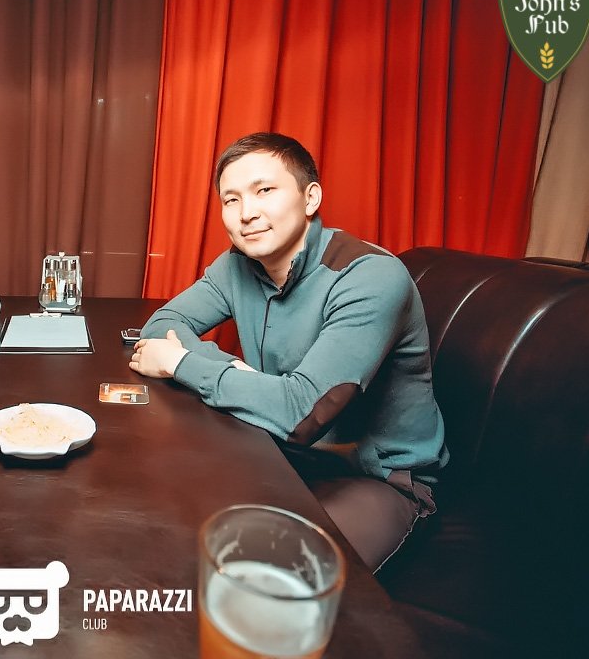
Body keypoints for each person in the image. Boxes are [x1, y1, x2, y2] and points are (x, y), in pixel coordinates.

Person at [129, 132, 448, 571]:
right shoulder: (236, 266)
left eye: (264, 190)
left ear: (310, 197)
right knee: (157, 510)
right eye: (231, 199)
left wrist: (182, 363)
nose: (247, 213)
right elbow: (162, 325)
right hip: (278, 450)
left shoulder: (370, 277)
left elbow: (301, 413)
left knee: (277, 581)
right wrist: (235, 370)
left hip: (379, 479)